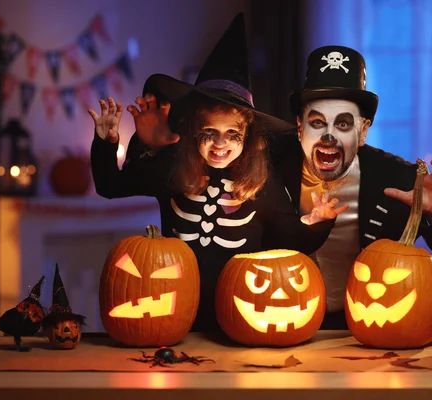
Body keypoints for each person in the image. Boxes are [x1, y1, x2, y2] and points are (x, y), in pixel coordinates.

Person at [121, 45, 432, 330]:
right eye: (317, 122)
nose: (328, 136)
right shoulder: (261, 161)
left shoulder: (394, 175)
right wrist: (151, 144)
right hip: (269, 320)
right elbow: (203, 148)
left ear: (364, 129)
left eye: (343, 124)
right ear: (298, 126)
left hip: (361, 329)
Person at [89, 14, 346, 333]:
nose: (220, 143)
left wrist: (318, 222)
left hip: (243, 311)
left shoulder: (260, 183)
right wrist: (108, 141)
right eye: (209, 132)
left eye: (232, 134)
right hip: (172, 312)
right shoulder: (172, 170)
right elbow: (110, 185)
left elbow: (291, 240)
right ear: (193, 131)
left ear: (247, 136)